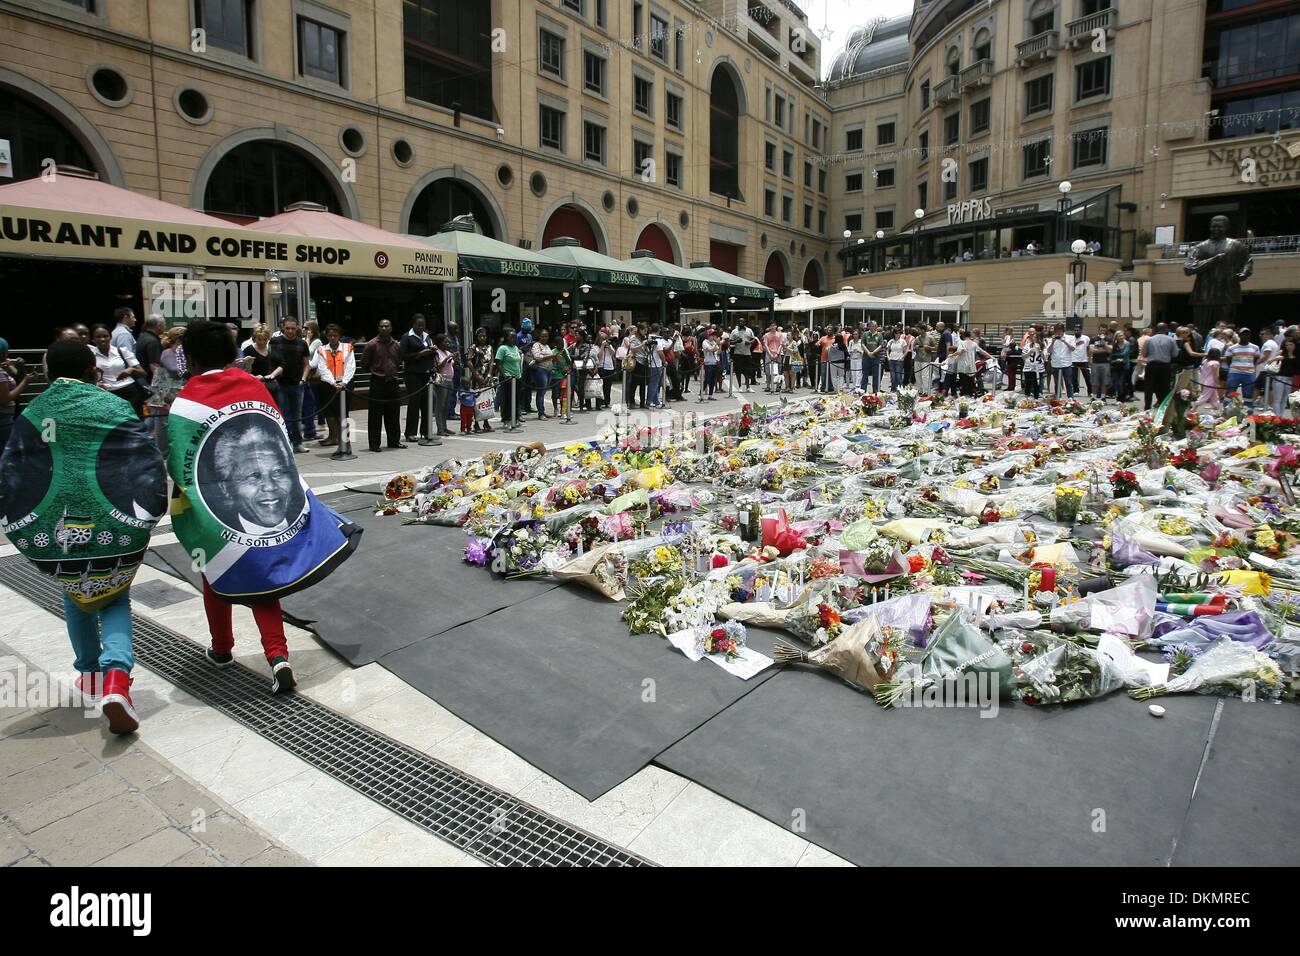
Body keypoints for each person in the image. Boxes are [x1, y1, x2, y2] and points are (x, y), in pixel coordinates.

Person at [168, 321, 357, 695]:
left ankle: (222, 649)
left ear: (189, 358)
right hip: (266, 502)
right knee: (262, 577)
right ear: (233, 355)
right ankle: (278, 655)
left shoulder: (186, 401)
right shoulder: (253, 386)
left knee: (216, 570)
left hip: (218, 508)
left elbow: (178, 462)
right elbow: (279, 437)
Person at [0, 339, 167, 733]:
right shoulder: (111, 405)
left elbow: (14, 470)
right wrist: (149, 506)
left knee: (75, 594)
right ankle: (116, 680)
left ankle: (91, 674)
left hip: (55, 532)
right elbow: (142, 457)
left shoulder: (35, 412)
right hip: (113, 530)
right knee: (114, 597)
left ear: (46, 372)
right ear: (93, 371)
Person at [360, 319, 407, 451]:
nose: (384, 328)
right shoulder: (372, 344)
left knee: (393, 413)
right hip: (377, 382)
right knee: (375, 415)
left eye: (386, 326)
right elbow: (364, 364)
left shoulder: (396, 345)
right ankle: (374, 444)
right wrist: (376, 371)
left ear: (391, 328)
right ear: (378, 328)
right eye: (381, 326)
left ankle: (394, 441)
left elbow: (399, 360)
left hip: (392, 382)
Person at [310, 324, 355, 447]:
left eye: (335, 335)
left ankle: (346, 444)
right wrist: (333, 383)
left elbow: (350, 367)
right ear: (326, 336)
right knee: (330, 413)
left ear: (339, 336)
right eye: (330, 335)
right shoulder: (322, 350)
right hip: (329, 385)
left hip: (345, 384)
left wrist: (344, 382)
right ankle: (336, 439)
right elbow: (323, 369)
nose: (332, 338)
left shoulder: (348, 348)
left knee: (343, 415)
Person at [91, 324, 149, 417]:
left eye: (105, 336)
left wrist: (131, 370)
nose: (102, 339)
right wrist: (96, 383)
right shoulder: (91, 355)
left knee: (135, 423)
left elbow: (143, 373)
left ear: (110, 337)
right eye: (98, 337)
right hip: (108, 395)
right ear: (93, 339)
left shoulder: (122, 351)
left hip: (130, 393)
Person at [270, 318, 310, 454]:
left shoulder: (302, 343)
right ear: (283, 327)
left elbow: (306, 364)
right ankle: (284, 444)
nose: (290, 331)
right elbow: (272, 361)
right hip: (280, 384)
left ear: (297, 328)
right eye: (287, 328)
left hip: (297, 384)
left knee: (297, 416)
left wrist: (303, 379)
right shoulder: (275, 341)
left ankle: (298, 443)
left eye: (293, 328)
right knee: (282, 416)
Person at [146, 326, 185, 455]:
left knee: (153, 422)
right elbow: (174, 370)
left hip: (172, 392)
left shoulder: (180, 353)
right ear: (178, 340)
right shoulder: (168, 353)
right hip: (164, 393)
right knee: (161, 424)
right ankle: (161, 453)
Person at [401, 314, 436, 442]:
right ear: (413, 324)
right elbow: (403, 356)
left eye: (423, 325)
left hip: (426, 373)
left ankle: (426, 432)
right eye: (418, 325)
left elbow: (432, 353)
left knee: (426, 404)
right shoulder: (407, 337)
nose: (421, 327)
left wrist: (432, 350)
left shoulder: (427, 336)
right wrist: (419, 354)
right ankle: (410, 432)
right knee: (414, 403)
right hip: (413, 374)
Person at [0, 338, 32, 452]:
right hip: (3, 421)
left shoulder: (4, 367)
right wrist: (26, 381)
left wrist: (19, 366)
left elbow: (17, 376)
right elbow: (5, 399)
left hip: (8, 417)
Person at [242, 323, 284, 405]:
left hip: (272, 386)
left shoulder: (274, 348)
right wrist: (254, 376)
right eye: (259, 339)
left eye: (264, 339)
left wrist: (272, 375)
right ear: (255, 338)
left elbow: (282, 364)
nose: (262, 342)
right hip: (255, 387)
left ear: (268, 338)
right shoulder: (248, 350)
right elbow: (244, 371)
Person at [1141, 322, 1178, 410]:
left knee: (1149, 386)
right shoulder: (1171, 340)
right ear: (1166, 329)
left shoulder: (1149, 340)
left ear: (1156, 329)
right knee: (1164, 387)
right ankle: (1162, 406)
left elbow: (1144, 354)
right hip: (1165, 366)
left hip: (1152, 365)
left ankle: (1147, 407)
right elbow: (1175, 354)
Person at [1224, 327, 1261, 409]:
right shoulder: (1232, 348)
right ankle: (1226, 410)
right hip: (1234, 373)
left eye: (1247, 334)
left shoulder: (1255, 347)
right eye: (1243, 334)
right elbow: (1228, 361)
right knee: (1230, 393)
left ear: (1249, 335)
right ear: (1239, 335)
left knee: (1248, 395)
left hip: (1249, 374)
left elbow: (1255, 360)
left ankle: (1248, 412)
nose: (1245, 335)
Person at [495, 327, 524, 428]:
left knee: (516, 399)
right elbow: (498, 364)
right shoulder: (502, 348)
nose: (513, 339)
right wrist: (505, 375)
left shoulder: (515, 348)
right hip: (507, 378)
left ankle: (515, 418)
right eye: (511, 337)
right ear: (506, 338)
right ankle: (506, 419)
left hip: (517, 377)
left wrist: (519, 374)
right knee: (506, 399)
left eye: (514, 337)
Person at [1089, 332, 1112, 401]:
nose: (1102, 332)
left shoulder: (1109, 339)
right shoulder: (1094, 339)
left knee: (1105, 381)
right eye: (1101, 330)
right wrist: (1104, 350)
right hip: (1095, 363)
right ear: (1099, 330)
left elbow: (1110, 350)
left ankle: (1103, 397)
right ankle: (1094, 397)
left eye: (1104, 330)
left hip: (1106, 363)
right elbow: (1092, 350)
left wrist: (1104, 343)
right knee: (1094, 381)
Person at [1021, 329, 1044, 398]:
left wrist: (1040, 351)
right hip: (1028, 367)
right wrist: (1030, 352)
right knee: (1028, 383)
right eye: (1033, 337)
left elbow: (1045, 357)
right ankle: (1027, 399)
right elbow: (1023, 356)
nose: (1034, 338)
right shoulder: (1027, 345)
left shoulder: (1042, 345)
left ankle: (1036, 399)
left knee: (1036, 384)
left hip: (1038, 368)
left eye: (1036, 337)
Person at [861, 323, 883, 393]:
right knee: (865, 375)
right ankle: (863, 391)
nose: (873, 327)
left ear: (876, 327)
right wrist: (868, 353)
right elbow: (863, 344)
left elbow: (880, 345)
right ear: (869, 327)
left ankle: (875, 391)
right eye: (871, 326)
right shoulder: (865, 334)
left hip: (876, 357)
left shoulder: (879, 335)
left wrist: (873, 353)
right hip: (866, 357)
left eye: (874, 326)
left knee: (876, 375)